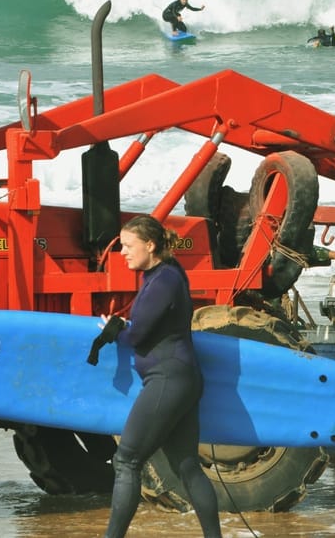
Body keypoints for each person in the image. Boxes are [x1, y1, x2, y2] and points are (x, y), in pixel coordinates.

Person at [96, 214, 222, 538]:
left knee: (126, 461)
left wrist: (115, 331)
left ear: (150, 245)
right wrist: (125, 327)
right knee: (186, 465)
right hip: (181, 378)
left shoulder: (163, 280)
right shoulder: (165, 274)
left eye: (127, 245)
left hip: (168, 380)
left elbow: (137, 338)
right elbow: (149, 327)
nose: (122, 252)